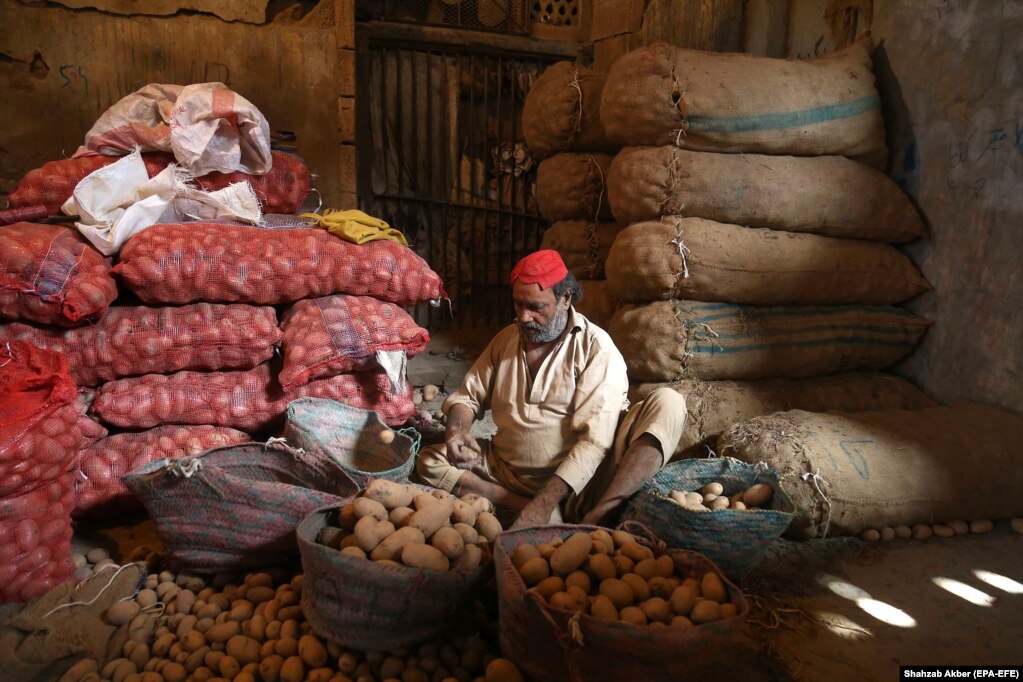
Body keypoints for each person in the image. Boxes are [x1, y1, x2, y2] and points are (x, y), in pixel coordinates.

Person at [416, 250, 687, 527]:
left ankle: (599, 514)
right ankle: (515, 502)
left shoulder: (595, 348)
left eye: (535, 307)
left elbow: (595, 443)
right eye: (518, 305)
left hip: (585, 485)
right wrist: (456, 433)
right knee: (429, 459)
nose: (523, 317)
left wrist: (547, 500)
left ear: (565, 299)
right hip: (508, 473)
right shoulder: (506, 340)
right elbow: (468, 396)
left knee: (668, 403)